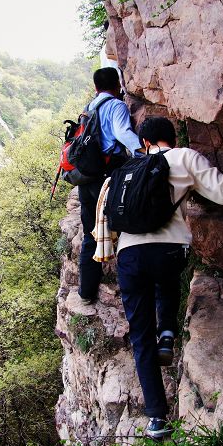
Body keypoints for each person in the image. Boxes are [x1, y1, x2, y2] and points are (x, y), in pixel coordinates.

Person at [115, 115, 223, 439]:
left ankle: (156, 419)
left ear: (146, 144)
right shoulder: (184, 158)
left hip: (129, 254)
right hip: (168, 251)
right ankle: (168, 330)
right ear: (172, 141)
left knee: (140, 335)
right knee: (167, 276)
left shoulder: (128, 168)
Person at [78, 67, 142, 304]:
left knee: (90, 233)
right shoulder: (115, 105)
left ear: (96, 88)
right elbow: (122, 132)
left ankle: (86, 293)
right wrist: (144, 153)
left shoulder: (88, 108)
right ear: (117, 85)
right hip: (107, 176)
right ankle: (130, 289)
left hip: (85, 179)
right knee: (125, 225)